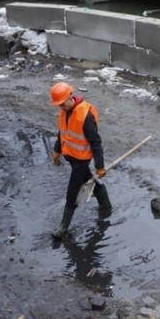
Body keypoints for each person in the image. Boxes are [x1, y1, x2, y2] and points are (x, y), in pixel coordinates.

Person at [49, 82, 112, 238]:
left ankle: (63, 229)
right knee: (89, 180)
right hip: (71, 157)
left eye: (62, 103)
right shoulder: (65, 111)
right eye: (59, 105)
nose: (61, 107)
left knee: (72, 193)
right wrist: (57, 150)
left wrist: (100, 166)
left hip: (81, 160)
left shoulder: (86, 115)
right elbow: (62, 133)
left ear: (70, 97)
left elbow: (96, 142)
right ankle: (106, 205)